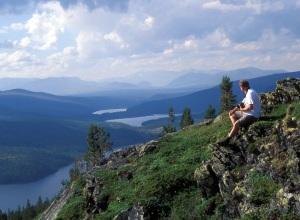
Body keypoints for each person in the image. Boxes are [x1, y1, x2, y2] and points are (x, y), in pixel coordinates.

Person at [220, 80, 261, 144]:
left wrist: (241, 110)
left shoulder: (250, 93)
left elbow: (250, 107)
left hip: (253, 115)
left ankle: (228, 139)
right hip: (248, 113)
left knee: (236, 123)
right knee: (232, 114)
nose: (240, 88)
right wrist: (233, 110)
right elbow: (240, 104)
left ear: (243, 87)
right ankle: (236, 130)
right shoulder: (248, 93)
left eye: (240, 86)